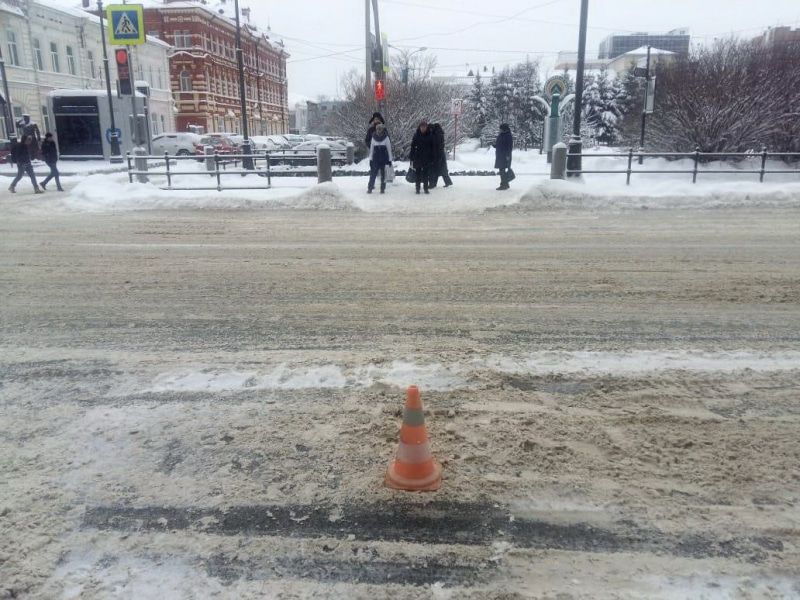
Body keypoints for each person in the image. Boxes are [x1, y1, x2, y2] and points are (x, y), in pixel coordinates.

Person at [409, 120, 436, 195]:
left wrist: (433, 157)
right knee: (417, 174)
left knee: (426, 174)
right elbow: (413, 146)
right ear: (419, 127)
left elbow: (433, 147)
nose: (423, 128)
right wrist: (411, 156)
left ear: (426, 127)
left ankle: (425, 188)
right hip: (418, 157)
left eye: (424, 127)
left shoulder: (430, 135)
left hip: (427, 157)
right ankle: (417, 188)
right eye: (421, 127)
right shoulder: (416, 135)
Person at [367, 123, 392, 194]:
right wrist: (370, 159)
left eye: (380, 129)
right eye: (378, 128)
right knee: (373, 174)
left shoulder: (386, 137)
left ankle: (382, 189)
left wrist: (390, 160)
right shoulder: (373, 137)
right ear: (376, 129)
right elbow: (371, 149)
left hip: (384, 158)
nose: (379, 130)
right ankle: (370, 188)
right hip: (375, 158)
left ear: (383, 129)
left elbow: (389, 149)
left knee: (384, 175)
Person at [429, 123, 453, 189]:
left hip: (438, 155)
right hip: (441, 154)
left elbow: (436, 145)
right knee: (442, 170)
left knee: (436, 170)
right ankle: (447, 182)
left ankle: (433, 184)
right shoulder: (440, 133)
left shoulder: (436, 134)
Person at [494, 123, 513, 190]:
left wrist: (507, 155)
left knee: (502, 171)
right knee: (502, 170)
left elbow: (509, 147)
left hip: (505, 156)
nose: (500, 130)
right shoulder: (502, 135)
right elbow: (500, 143)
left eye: (501, 129)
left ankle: (503, 185)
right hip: (500, 155)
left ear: (504, 129)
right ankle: (506, 184)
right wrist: (495, 145)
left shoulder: (508, 135)